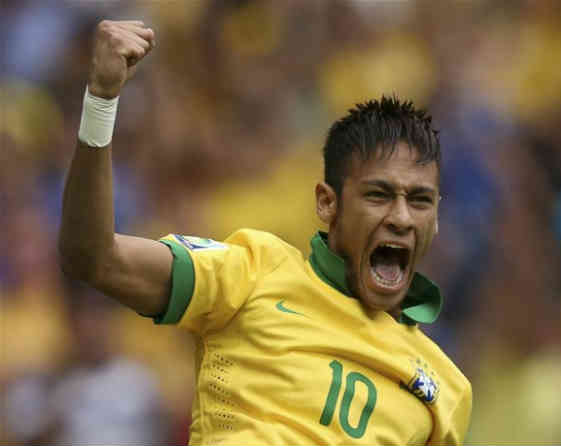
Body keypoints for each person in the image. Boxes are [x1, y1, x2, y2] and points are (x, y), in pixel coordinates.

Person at [58, 20, 472, 445]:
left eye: (420, 200)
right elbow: (93, 258)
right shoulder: (252, 272)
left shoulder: (447, 389)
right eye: (379, 195)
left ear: (436, 219)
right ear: (328, 204)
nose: (402, 217)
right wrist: (102, 102)